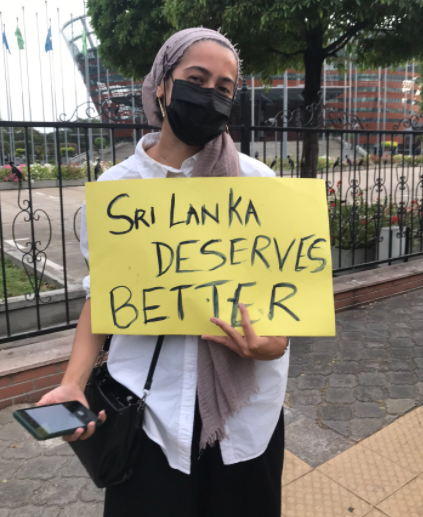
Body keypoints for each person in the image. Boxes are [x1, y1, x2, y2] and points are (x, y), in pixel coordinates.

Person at [37, 27, 290, 517]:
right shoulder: (117, 190)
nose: (210, 94)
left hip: (245, 417)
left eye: (224, 87)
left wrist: (272, 343)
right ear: (161, 83)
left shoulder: (260, 184)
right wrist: (72, 382)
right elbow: (104, 296)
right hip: (148, 413)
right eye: (197, 79)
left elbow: (281, 298)